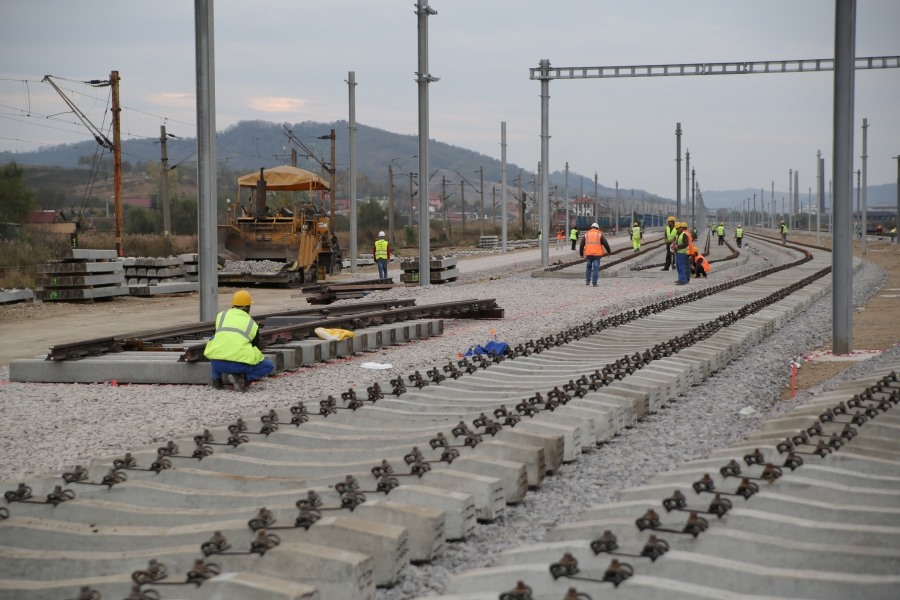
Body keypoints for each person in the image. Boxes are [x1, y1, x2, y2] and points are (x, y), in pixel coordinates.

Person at [204, 290, 275, 392]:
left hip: (217, 364)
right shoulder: (251, 323)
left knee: (216, 341)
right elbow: (255, 347)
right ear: (247, 307)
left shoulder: (221, 316)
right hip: (238, 366)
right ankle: (242, 379)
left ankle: (216, 380)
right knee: (268, 365)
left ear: (233, 304)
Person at [579, 222, 611, 287]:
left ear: (591, 227)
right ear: (597, 228)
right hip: (597, 254)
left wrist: (581, 253)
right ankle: (594, 283)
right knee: (596, 268)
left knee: (588, 267)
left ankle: (587, 281)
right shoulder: (599, 235)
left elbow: (582, 244)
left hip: (588, 254)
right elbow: (606, 244)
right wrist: (609, 252)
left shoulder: (586, 235)